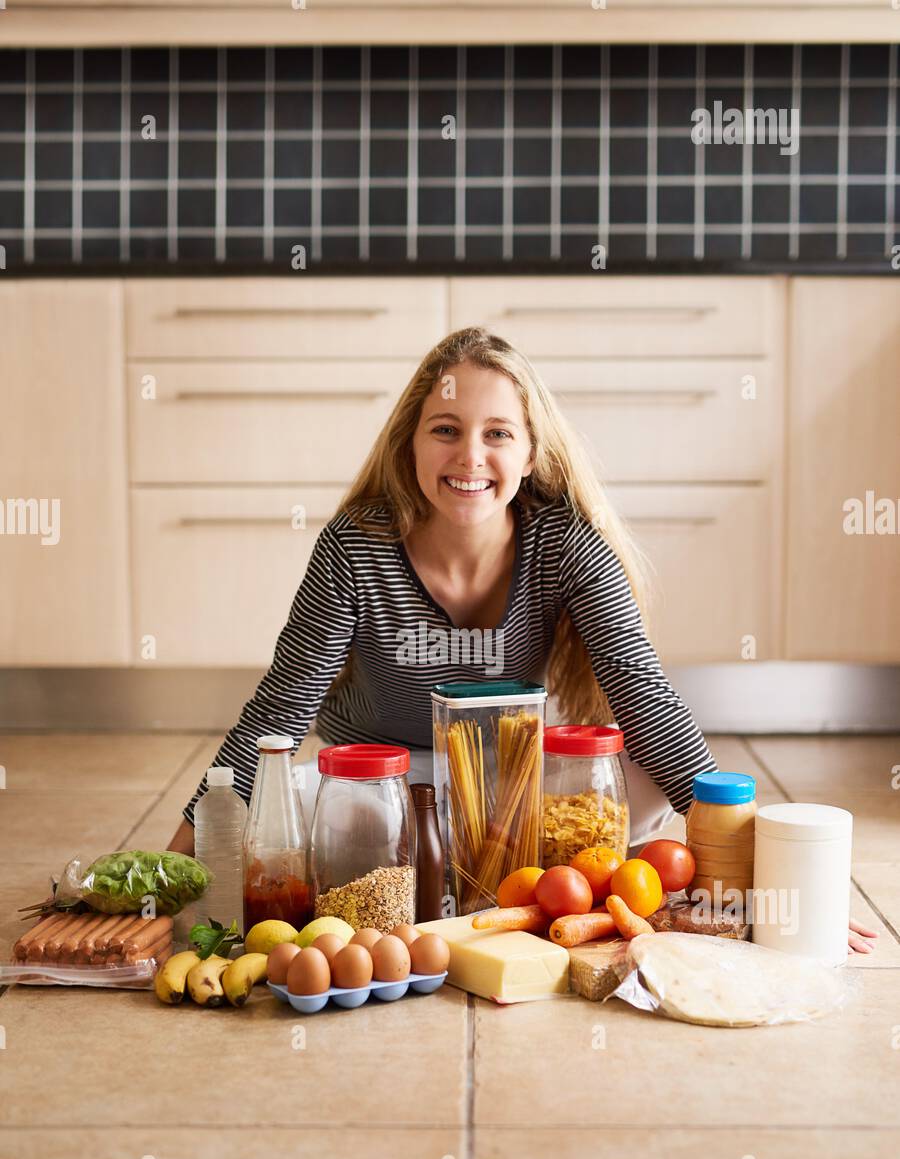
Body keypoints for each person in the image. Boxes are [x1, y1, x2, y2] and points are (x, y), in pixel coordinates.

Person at [167, 326, 877, 955]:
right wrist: (174, 868)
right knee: (299, 800)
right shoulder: (357, 545)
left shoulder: (566, 544)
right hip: (383, 782)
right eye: (444, 429)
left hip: (507, 783)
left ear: (532, 451)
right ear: (409, 442)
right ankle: (473, 871)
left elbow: (646, 698)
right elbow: (280, 709)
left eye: (497, 433)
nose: (468, 455)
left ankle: (509, 874)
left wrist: (759, 884)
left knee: (649, 779)